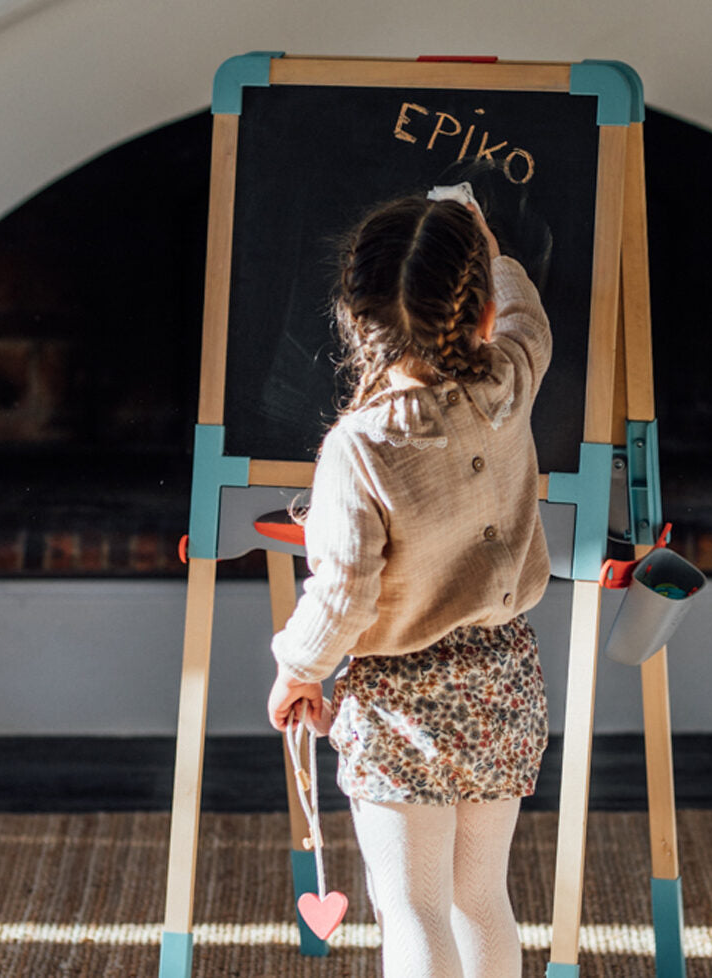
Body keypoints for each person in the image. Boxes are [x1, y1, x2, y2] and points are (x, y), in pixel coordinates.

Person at [267, 191, 552, 978]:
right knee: (479, 897)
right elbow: (531, 322)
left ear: (356, 317)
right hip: (503, 680)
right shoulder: (508, 379)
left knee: (412, 904)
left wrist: (298, 669)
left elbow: (342, 593)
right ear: (481, 310)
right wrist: (493, 252)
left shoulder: (359, 446)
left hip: (401, 701)